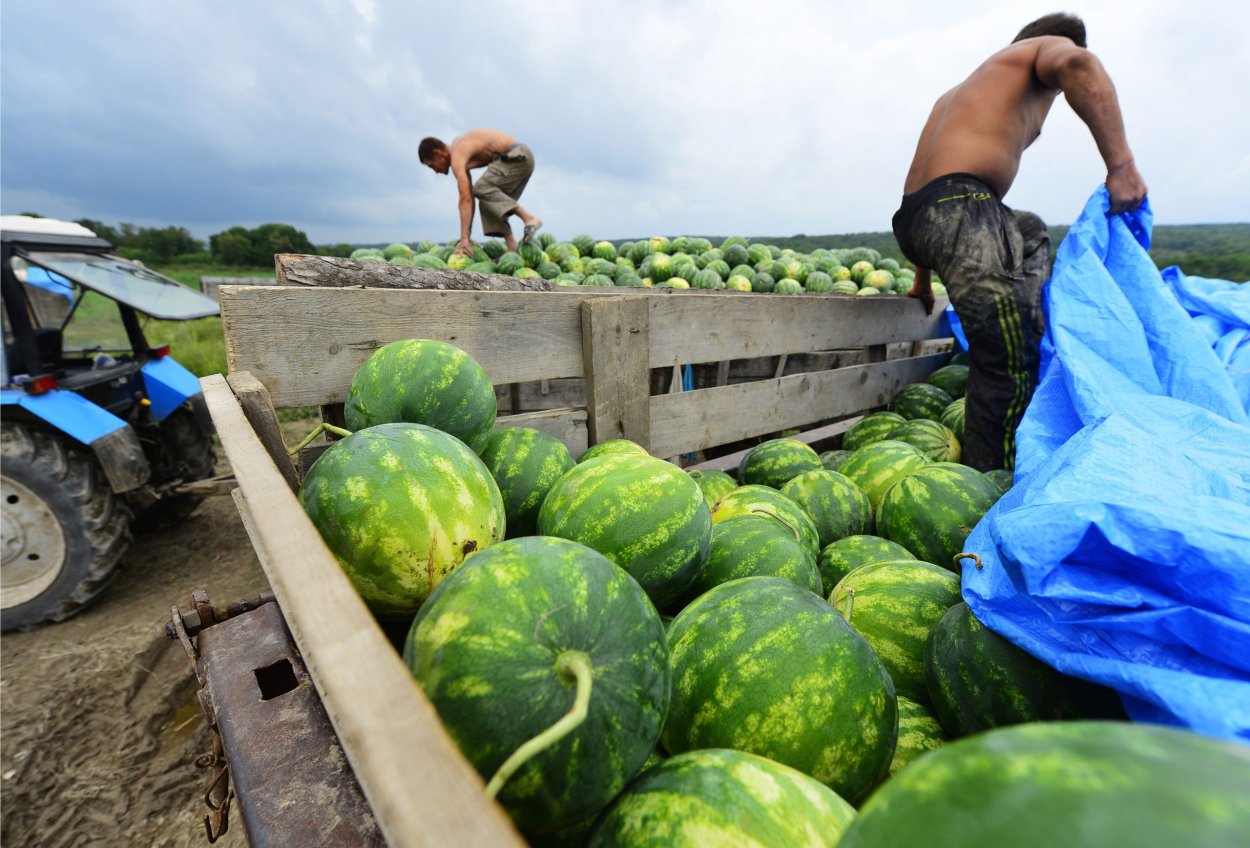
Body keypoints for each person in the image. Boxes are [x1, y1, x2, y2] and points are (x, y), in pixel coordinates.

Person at [891, 12, 1148, 472]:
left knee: (1028, 228)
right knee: (1008, 361)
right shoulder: (1043, 50)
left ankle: (1027, 319)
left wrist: (921, 278)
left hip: (917, 220)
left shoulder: (958, 93)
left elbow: (923, 190)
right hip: (963, 209)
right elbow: (1079, 65)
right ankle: (994, 480)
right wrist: (1121, 165)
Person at [418, 129, 542, 256]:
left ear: (438, 153)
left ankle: (529, 219)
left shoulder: (457, 154)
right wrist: (466, 236)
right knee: (487, 201)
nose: (435, 170)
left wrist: (464, 239)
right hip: (519, 158)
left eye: (432, 165)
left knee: (482, 187)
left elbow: (464, 199)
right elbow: (469, 197)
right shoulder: (460, 154)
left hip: (516, 156)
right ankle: (512, 246)